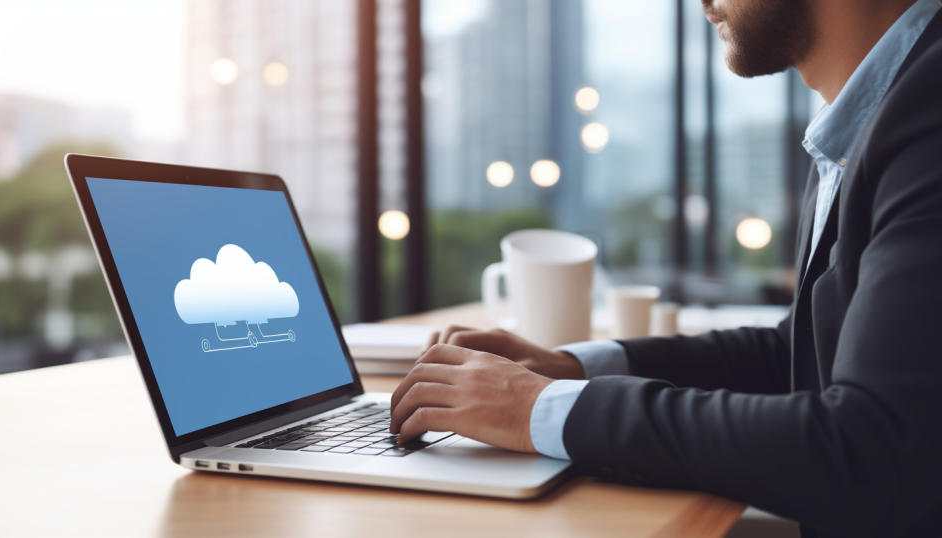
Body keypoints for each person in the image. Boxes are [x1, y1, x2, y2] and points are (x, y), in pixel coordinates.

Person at [388, 0, 942, 536]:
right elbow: (793, 355)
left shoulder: (926, 115)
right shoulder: (875, 114)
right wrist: (569, 368)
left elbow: (872, 449)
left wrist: (536, 408)